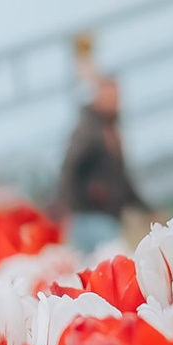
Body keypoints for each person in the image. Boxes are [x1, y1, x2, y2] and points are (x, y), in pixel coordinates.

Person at [59, 75, 135, 259]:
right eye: (110, 97)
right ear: (97, 98)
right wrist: (69, 204)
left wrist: (146, 208)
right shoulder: (89, 131)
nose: (115, 102)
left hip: (104, 217)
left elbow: (123, 181)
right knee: (113, 264)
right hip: (89, 217)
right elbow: (69, 168)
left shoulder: (110, 131)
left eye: (116, 98)